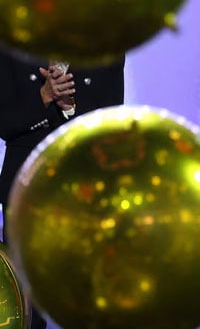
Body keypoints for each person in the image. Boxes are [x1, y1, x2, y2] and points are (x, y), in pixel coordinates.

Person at [0, 50, 125, 329]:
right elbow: (5, 123)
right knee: (28, 300)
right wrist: (43, 98)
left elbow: (110, 117)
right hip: (26, 186)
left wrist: (70, 106)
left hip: (85, 187)